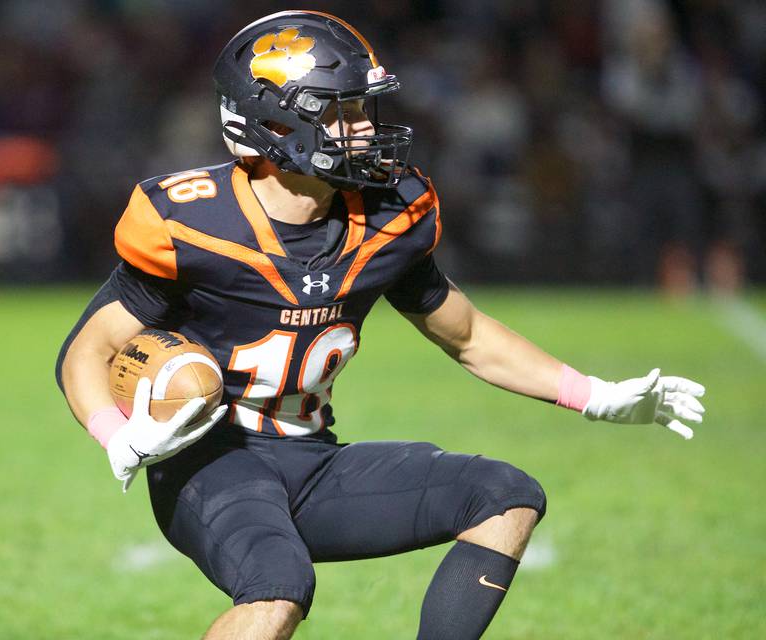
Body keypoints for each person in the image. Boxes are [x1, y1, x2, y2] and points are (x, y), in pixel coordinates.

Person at [56, 11, 706, 640]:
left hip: (308, 456)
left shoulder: (390, 215)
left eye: (363, 110)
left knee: (506, 496)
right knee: (278, 585)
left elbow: (469, 335)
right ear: (275, 123)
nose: (364, 130)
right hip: (209, 460)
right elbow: (89, 349)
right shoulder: (192, 221)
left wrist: (596, 395)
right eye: (341, 112)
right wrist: (116, 435)